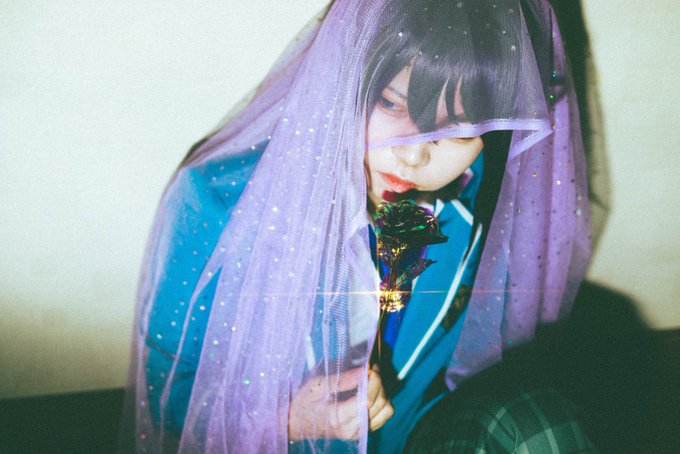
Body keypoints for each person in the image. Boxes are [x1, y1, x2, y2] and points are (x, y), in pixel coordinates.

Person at [123, 0, 595, 452]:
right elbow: (166, 401)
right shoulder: (217, 203)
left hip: (421, 439)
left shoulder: (486, 202)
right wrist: (291, 419)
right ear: (341, 76)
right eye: (391, 104)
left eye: (459, 129)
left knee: (539, 426)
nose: (415, 155)